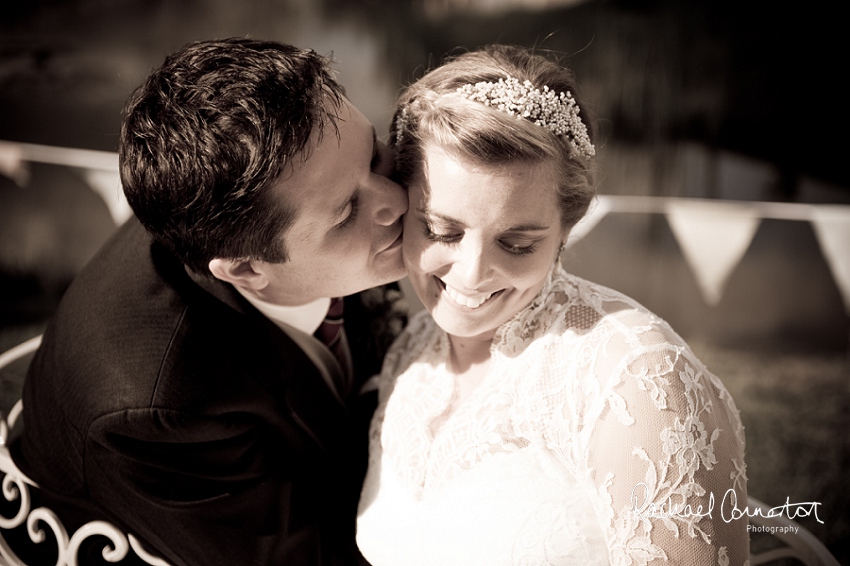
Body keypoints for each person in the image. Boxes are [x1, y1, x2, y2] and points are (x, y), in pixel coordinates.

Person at [10, 38, 407, 566]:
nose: (398, 200)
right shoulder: (158, 411)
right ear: (246, 269)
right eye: (345, 213)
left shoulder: (228, 200)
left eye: (376, 157)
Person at [356, 44, 749, 566]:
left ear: (567, 227)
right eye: (440, 230)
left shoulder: (633, 378)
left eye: (517, 244)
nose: (471, 275)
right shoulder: (409, 358)